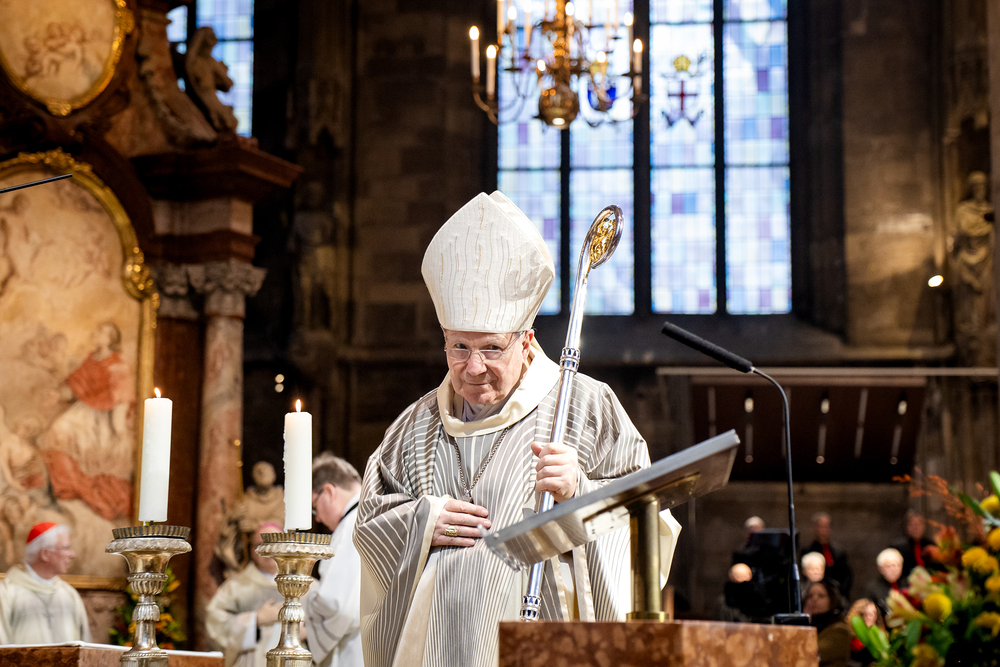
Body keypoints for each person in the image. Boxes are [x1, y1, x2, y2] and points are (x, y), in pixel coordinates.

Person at [352, 191, 679, 667]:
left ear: (526, 341)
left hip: (543, 646)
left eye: (491, 348)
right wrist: (421, 522)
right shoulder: (414, 427)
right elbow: (369, 523)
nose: (473, 367)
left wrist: (580, 493)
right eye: (459, 347)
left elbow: (648, 518)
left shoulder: (584, 407)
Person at [304, 453, 362, 667]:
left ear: (328, 491)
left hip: (355, 651)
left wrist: (305, 597)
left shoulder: (351, 527)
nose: (318, 517)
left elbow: (336, 606)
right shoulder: (375, 514)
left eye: (314, 506)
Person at [205, 523, 285, 667]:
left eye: (275, 544)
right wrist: (255, 619)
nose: (269, 550)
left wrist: (305, 633)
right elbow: (215, 623)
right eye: (262, 545)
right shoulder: (234, 587)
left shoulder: (307, 586)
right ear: (253, 550)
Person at [0, 522, 91, 644]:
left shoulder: (69, 594)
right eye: (66, 548)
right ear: (45, 553)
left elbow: (85, 645)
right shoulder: (7, 593)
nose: (72, 554)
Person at [801, 512, 853, 599]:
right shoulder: (807, 551)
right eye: (820, 526)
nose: (823, 531)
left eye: (826, 527)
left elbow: (846, 577)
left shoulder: (839, 552)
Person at [804, 580, 850, 667]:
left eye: (821, 596)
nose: (814, 599)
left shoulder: (840, 630)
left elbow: (810, 654)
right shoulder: (810, 627)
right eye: (810, 596)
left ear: (832, 600)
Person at [890, 510, 934, 582]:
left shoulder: (931, 546)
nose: (916, 528)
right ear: (907, 526)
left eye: (919, 524)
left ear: (924, 526)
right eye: (912, 524)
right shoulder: (898, 548)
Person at [864, 548, 904, 617]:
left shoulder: (908, 585)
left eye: (895, 565)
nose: (893, 569)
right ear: (881, 569)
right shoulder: (873, 588)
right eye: (888, 566)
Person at [845, 598, 883, 666]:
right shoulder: (853, 642)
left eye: (874, 613)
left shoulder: (878, 634)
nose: (873, 617)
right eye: (868, 614)